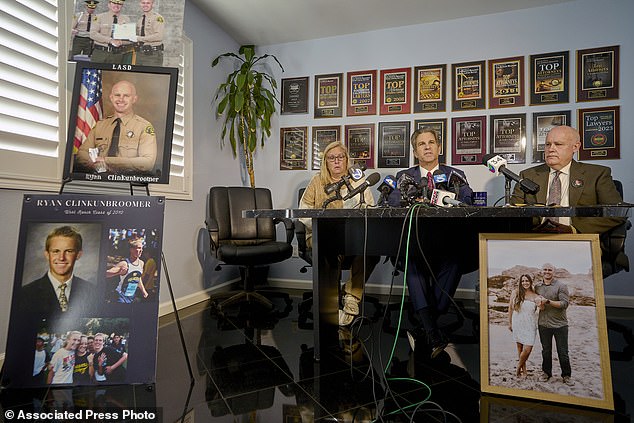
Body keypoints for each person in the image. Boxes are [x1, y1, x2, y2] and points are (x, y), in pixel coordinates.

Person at [386, 127, 473, 358]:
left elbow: (467, 199)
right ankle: (433, 332)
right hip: (416, 242)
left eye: (431, 142)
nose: (427, 147)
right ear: (415, 151)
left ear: (439, 147)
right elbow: (394, 201)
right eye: (422, 144)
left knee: (455, 261)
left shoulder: (455, 174)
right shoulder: (405, 176)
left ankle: (426, 326)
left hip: (447, 243)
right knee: (412, 262)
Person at [299, 141, 379, 326]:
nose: (336, 161)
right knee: (331, 248)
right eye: (331, 158)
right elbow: (303, 211)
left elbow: (369, 211)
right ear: (326, 162)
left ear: (347, 160)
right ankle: (332, 302)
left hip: (353, 238)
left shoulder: (358, 182)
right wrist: (321, 227)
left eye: (340, 157)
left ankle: (352, 296)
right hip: (320, 236)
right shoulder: (317, 181)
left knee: (371, 250)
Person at [511, 125, 624, 235]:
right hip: (535, 238)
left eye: (558, 144)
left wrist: (572, 230)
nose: (551, 149)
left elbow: (616, 213)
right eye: (547, 144)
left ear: (575, 147)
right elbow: (512, 214)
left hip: (578, 238)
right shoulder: (527, 176)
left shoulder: (597, 174)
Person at [75, 80, 157, 175]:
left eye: (126, 96)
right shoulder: (100, 125)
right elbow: (81, 153)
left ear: (134, 99)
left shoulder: (144, 127)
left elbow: (147, 162)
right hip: (99, 179)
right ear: (111, 97)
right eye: (117, 95)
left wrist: (107, 161)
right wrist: (94, 163)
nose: (121, 99)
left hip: (128, 180)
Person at [21, 226, 95, 314]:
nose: (61, 258)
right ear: (47, 254)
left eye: (68, 251)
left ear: (78, 255)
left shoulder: (93, 292)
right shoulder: (25, 294)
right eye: (56, 251)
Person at [535, 263, 574, 386]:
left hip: (560, 325)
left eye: (549, 270)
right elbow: (531, 299)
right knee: (546, 351)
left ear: (553, 272)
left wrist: (548, 301)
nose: (547, 272)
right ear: (541, 271)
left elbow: (564, 304)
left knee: (563, 352)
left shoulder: (561, 286)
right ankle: (546, 373)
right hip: (543, 324)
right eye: (545, 269)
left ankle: (566, 375)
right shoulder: (537, 287)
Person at [508, 274, 540, 377]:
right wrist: (510, 323)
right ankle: (524, 370)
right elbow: (510, 308)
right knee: (520, 348)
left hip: (530, 324)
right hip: (518, 322)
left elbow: (540, 309)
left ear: (530, 282)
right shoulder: (516, 293)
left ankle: (518, 367)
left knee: (527, 349)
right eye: (523, 281)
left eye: (527, 281)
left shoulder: (535, 295)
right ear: (520, 283)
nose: (525, 283)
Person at [106, 235, 150, 303]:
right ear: (131, 250)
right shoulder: (124, 264)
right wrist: (118, 273)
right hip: (120, 296)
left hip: (131, 297)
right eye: (138, 248)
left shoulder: (141, 263)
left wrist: (144, 291)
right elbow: (106, 274)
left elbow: (137, 278)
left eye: (142, 248)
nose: (141, 250)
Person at [134, 0, 165, 66]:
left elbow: (159, 36)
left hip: (153, 55)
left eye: (148, 3)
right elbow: (136, 36)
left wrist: (139, 38)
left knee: (151, 76)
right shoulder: (140, 19)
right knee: (138, 75)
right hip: (140, 54)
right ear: (140, 4)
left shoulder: (157, 18)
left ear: (152, 4)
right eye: (143, 3)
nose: (145, 5)